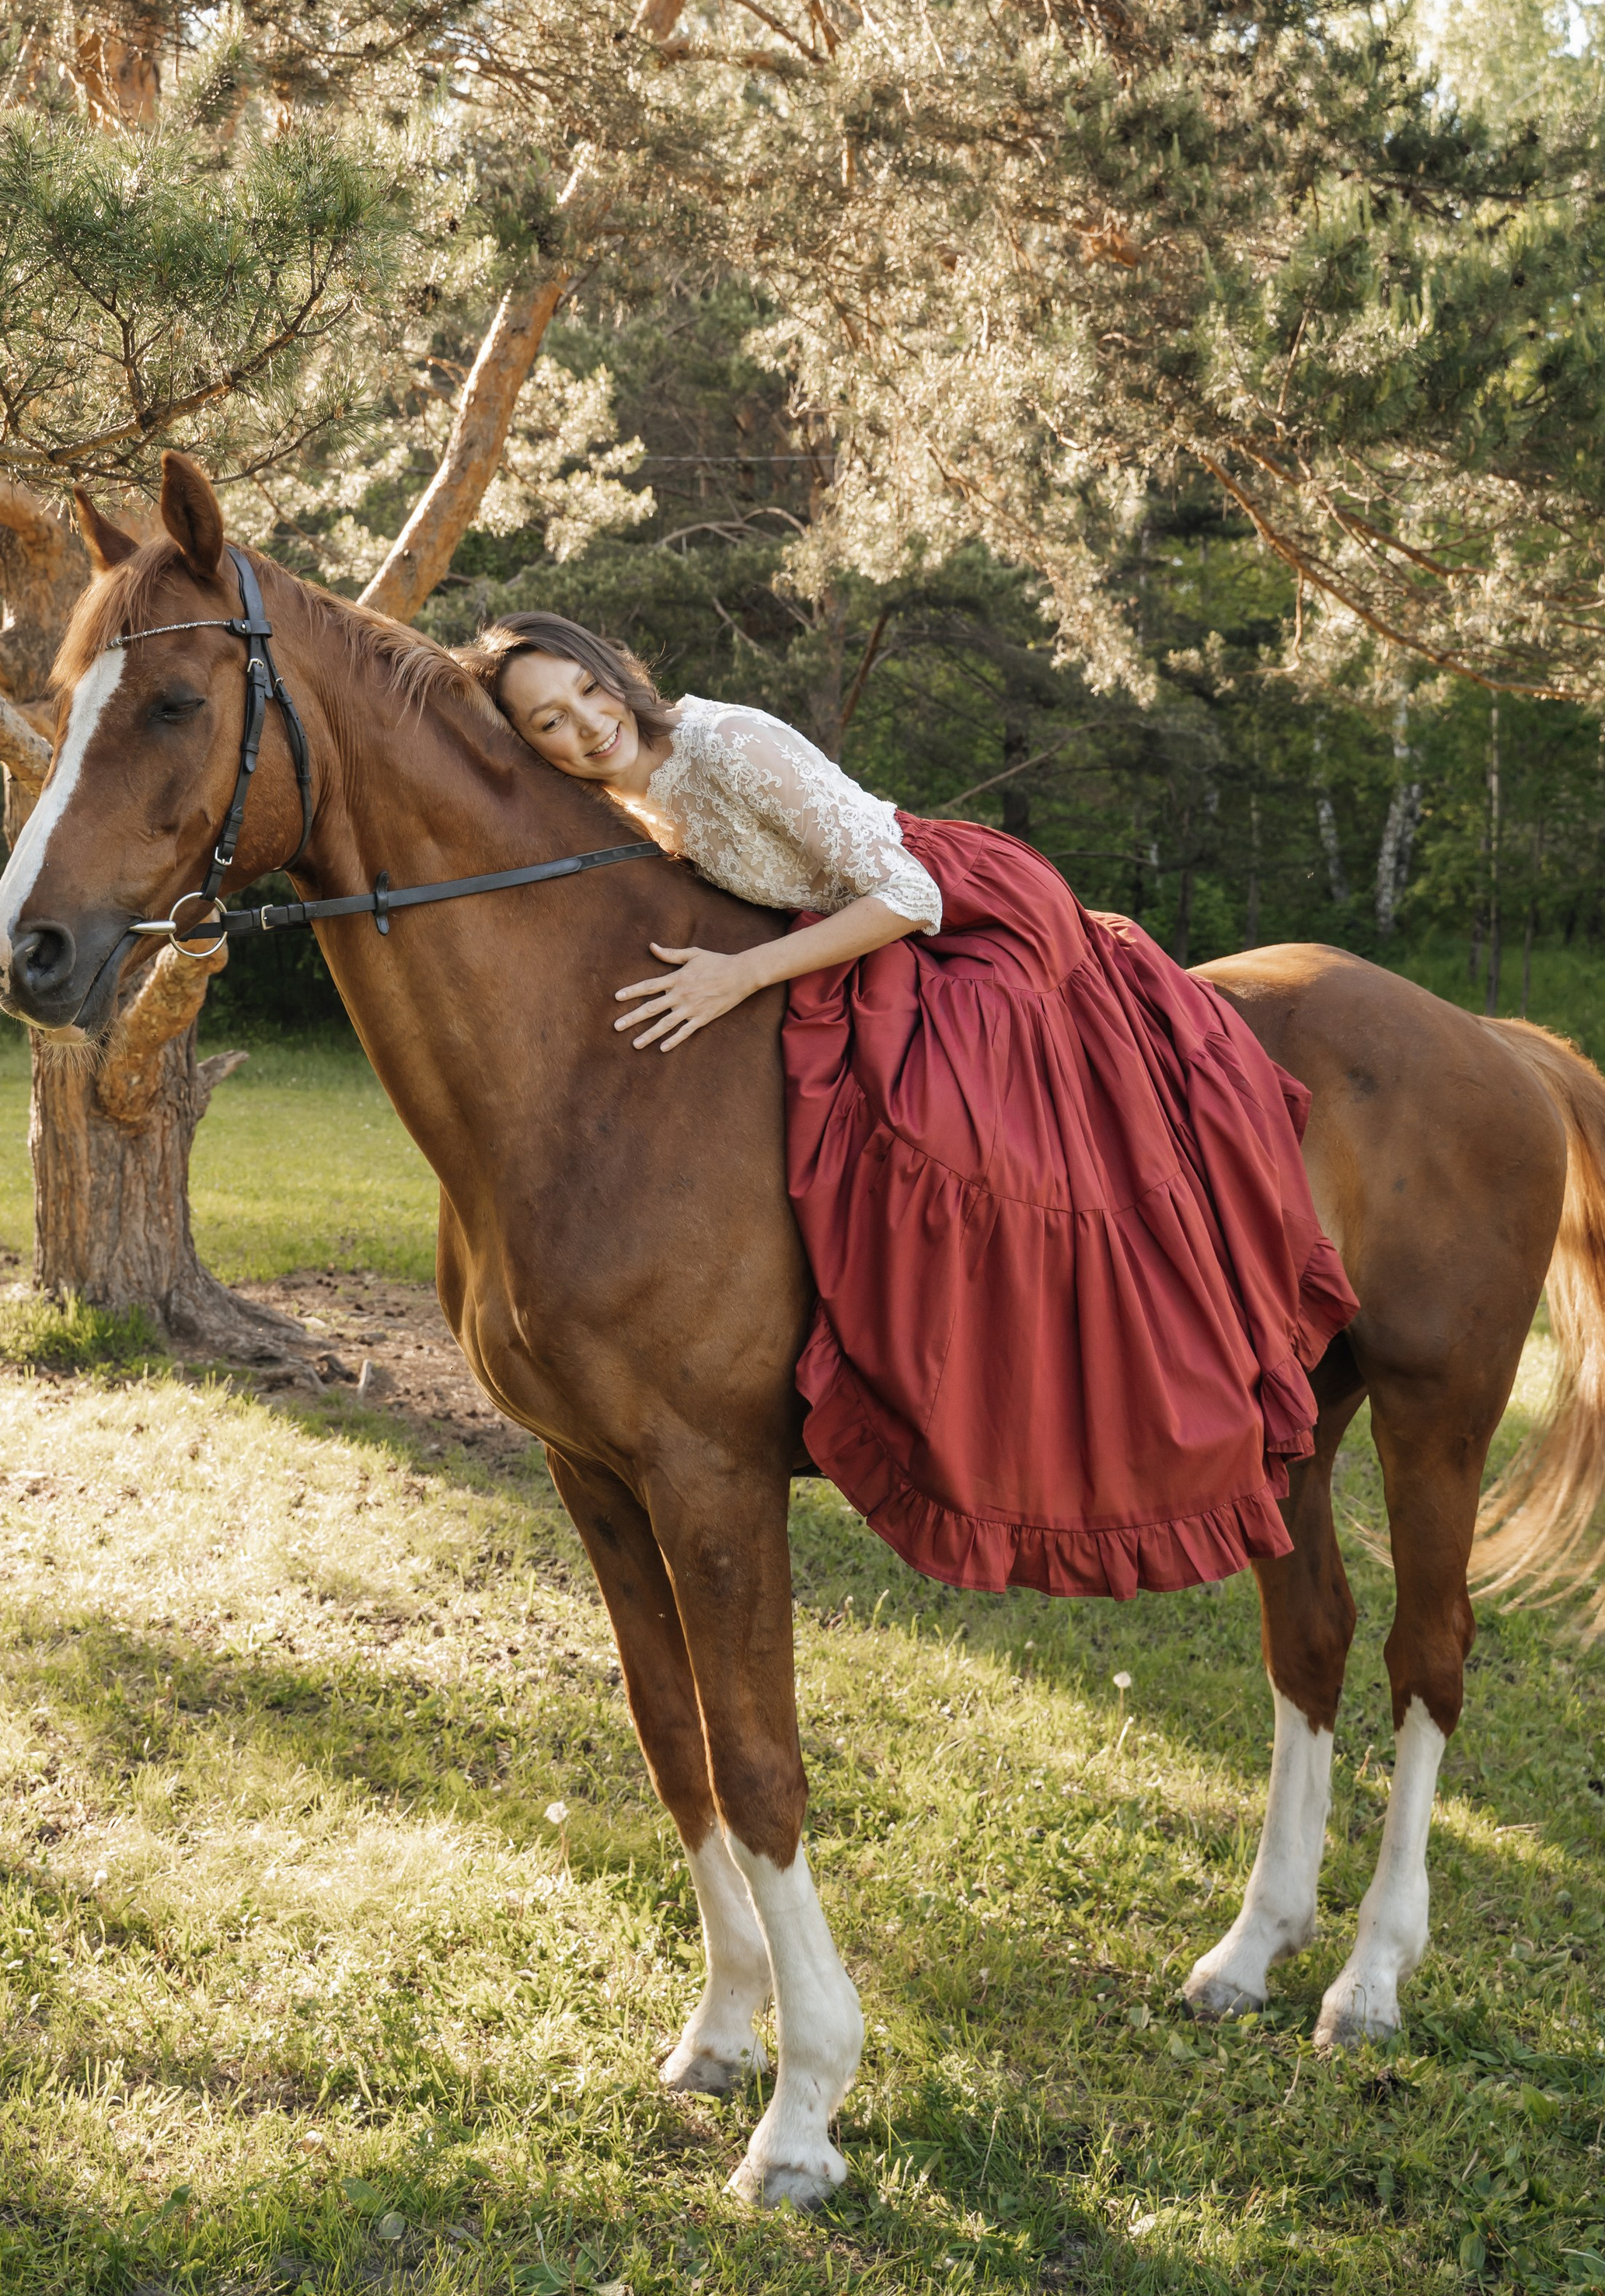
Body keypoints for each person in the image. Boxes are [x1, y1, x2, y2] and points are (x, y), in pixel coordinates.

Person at [456, 611, 1361, 1604]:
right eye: (548, 722)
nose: (585, 725)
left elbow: (906, 890)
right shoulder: (620, 805)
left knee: (944, 1117)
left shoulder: (726, 743)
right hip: (850, 932)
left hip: (960, 917)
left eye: (586, 690)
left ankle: (1035, 1354)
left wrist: (741, 975)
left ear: (613, 672)